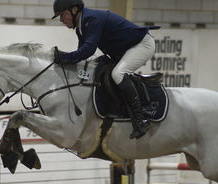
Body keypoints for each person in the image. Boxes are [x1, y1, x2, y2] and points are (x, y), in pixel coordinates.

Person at [52, 0, 159, 139]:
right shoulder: (81, 26)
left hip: (142, 45)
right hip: (125, 50)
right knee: (101, 69)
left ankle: (140, 119)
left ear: (74, 10)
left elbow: (88, 50)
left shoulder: (91, 19)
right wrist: (66, 61)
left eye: (62, 15)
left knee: (118, 74)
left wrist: (65, 57)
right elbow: (81, 53)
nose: (61, 20)